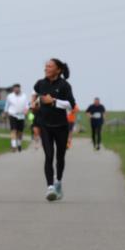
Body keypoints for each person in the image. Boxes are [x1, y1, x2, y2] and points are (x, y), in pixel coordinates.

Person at [31, 58, 76, 201]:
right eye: (45, 66)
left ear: (58, 70)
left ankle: (58, 182)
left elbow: (71, 105)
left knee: (60, 157)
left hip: (61, 126)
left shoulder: (64, 85)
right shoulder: (40, 83)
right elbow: (35, 97)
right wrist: (33, 103)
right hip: (45, 125)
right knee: (49, 156)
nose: (46, 68)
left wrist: (54, 101)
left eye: (50, 66)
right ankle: (50, 187)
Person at [4, 83, 28, 152]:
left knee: (20, 131)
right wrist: (5, 113)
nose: (16, 89)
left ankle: (19, 144)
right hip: (12, 115)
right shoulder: (10, 96)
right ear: (13, 89)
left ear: (19, 88)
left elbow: (27, 105)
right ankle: (14, 146)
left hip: (21, 115)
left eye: (17, 88)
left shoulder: (24, 96)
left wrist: (26, 110)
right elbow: (7, 105)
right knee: (13, 130)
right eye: (15, 88)